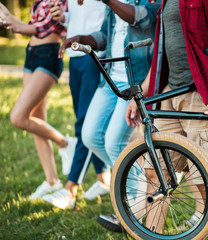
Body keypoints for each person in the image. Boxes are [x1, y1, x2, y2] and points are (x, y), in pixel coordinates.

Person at [125, 0, 208, 239]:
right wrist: (140, 95)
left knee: (206, 183)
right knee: (155, 173)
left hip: (204, 93)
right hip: (172, 94)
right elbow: (162, 53)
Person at [51, 0, 160, 230]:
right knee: (90, 136)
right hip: (111, 79)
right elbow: (104, 36)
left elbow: (141, 18)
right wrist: (82, 39)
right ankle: (142, 180)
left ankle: (132, 206)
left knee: (113, 142)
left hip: (136, 81)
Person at [0, 0, 78, 200]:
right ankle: (51, 181)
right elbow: (30, 27)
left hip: (48, 56)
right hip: (31, 54)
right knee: (36, 119)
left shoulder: (59, 2)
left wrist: (16, 25)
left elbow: (43, 28)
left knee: (18, 117)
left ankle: (65, 143)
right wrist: (9, 17)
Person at [41, 0, 112, 210]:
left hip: (94, 56)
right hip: (75, 55)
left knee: (85, 122)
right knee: (82, 118)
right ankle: (103, 180)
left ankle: (71, 189)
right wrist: (63, 16)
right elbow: (80, 15)